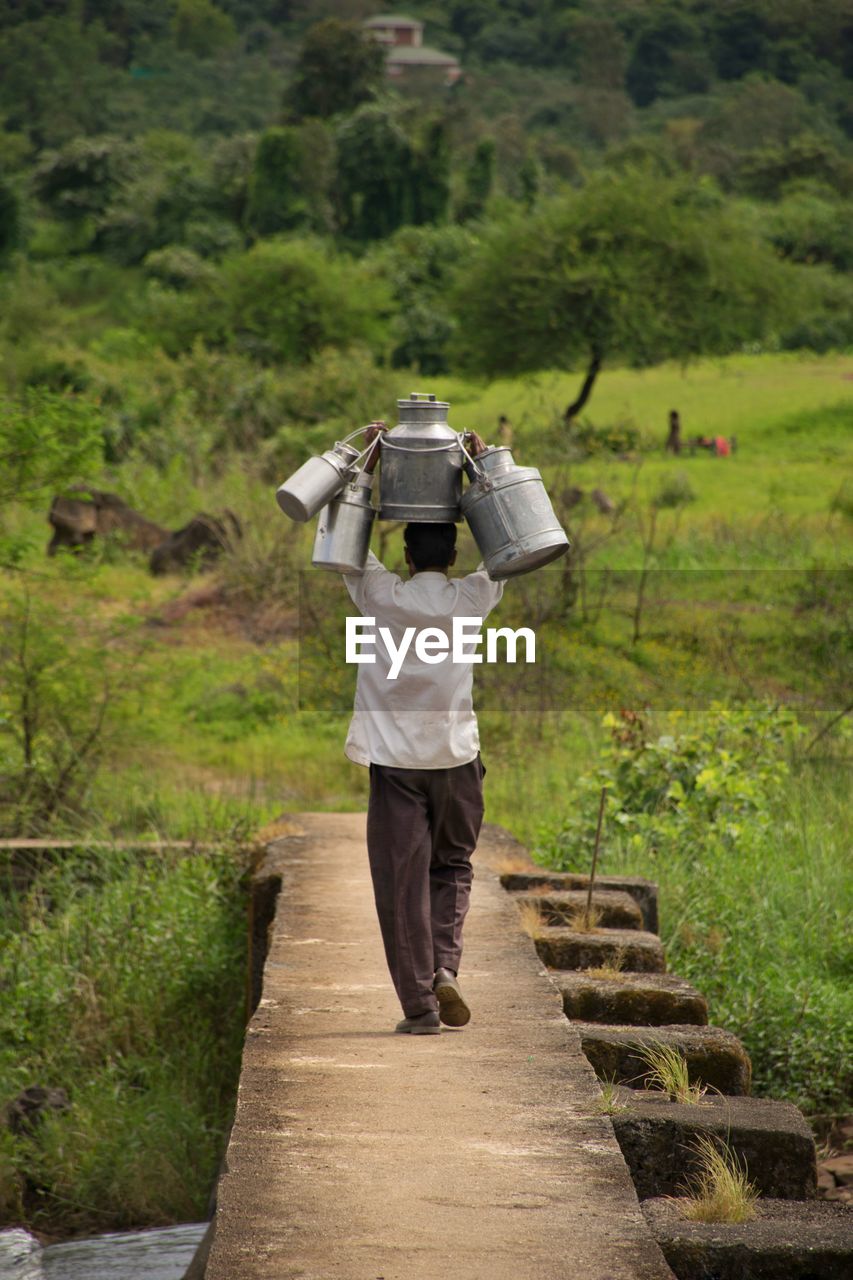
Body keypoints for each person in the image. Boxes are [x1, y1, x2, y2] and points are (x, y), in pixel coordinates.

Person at [342, 428, 503, 1035]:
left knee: (399, 881)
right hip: (457, 760)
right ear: (452, 558)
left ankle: (420, 1007)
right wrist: (484, 470)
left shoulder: (380, 596)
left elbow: (345, 545)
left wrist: (364, 469)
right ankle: (445, 969)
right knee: (452, 867)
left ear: (407, 556)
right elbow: (512, 544)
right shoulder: (473, 596)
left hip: (397, 765)